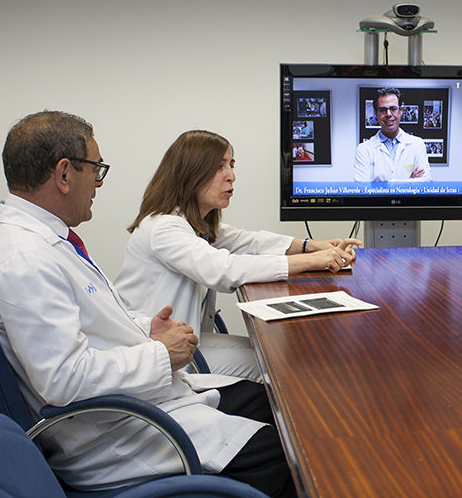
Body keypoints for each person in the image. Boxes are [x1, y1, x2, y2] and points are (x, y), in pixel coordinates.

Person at [0, 111, 296, 496]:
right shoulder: (24, 261)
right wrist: (161, 354)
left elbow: (94, 324)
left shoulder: (46, 243)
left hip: (141, 400)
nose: (98, 182)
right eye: (96, 169)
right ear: (63, 174)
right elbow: (64, 380)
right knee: (295, 454)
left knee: (278, 410)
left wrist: (146, 329)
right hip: (120, 435)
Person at [116, 130, 360, 381]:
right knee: (277, 367)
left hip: (186, 340)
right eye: (219, 167)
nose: (231, 176)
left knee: (270, 353)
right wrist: (311, 261)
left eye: (231, 165)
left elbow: (248, 242)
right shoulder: (164, 227)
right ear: (190, 174)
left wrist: (312, 246)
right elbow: (224, 269)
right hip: (154, 354)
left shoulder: (191, 223)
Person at [353, 86, 432, 181]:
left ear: (401, 111)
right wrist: (411, 181)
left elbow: (426, 182)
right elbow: (362, 189)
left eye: (393, 108)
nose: (388, 114)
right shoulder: (364, 150)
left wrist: (383, 184)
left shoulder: (417, 144)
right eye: (382, 110)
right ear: (376, 113)